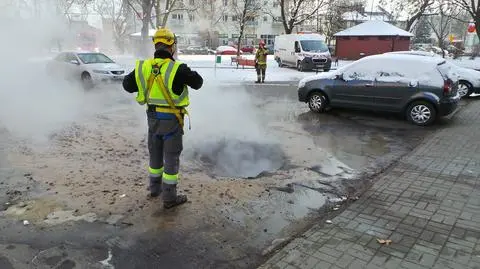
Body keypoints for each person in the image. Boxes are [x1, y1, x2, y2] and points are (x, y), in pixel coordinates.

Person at [122, 28, 203, 209]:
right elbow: (198, 82)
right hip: (172, 121)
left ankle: (154, 189)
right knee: (171, 158)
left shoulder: (143, 67)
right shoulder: (177, 69)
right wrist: (184, 72)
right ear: (171, 46)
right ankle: (169, 198)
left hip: (152, 119)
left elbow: (127, 85)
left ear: (156, 45)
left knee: (155, 154)